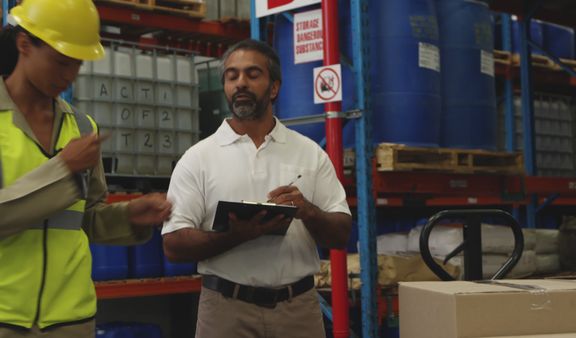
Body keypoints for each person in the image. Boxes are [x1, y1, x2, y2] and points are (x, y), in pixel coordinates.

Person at [0, 1, 172, 337]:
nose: (69, 76)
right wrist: (62, 169)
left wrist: (128, 215)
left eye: (77, 64)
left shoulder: (81, 126)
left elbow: (85, 218)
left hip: (72, 319)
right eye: (61, 62)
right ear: (24, 45)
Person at [162, 39, 352, 338]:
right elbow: (173, 245)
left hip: (297, 310)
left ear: (274, 87)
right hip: (225, 312)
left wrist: (308, 212)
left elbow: (341, 233)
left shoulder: (309, 153)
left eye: (252, 74)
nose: (240, 83)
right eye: (232, 76)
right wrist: (234, 236)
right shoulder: (198, 158)